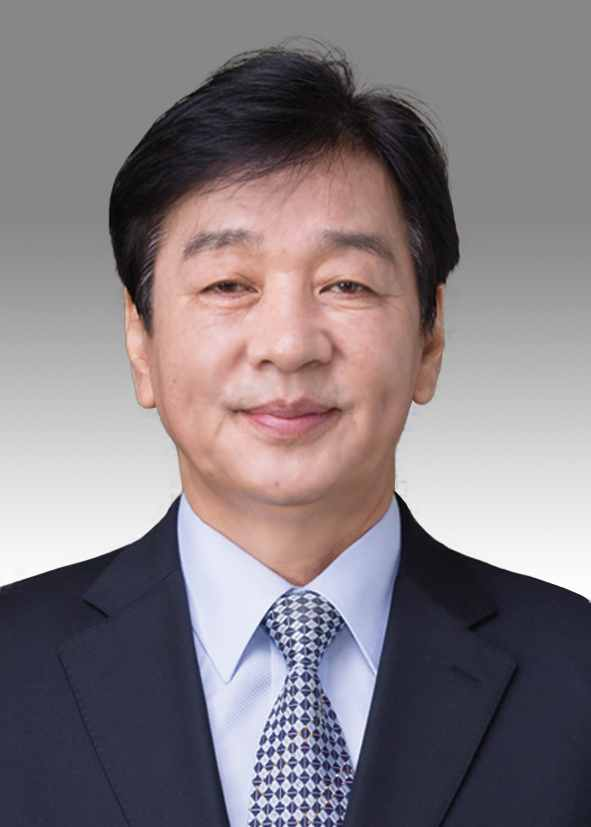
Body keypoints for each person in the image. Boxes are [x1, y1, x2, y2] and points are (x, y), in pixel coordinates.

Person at [2, 43, 590, 827]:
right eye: (227, 284)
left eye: (345, 284)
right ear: (140, 340)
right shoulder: (11, 670)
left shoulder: (574, 673)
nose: (288, 344)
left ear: (429, 337)